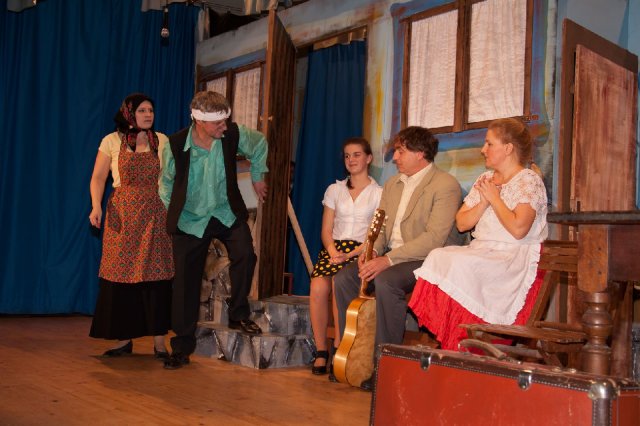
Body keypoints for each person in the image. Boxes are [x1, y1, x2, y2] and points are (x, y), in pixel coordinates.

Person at [333, 126, 462, 390]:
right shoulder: (393, 184)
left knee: (386, 281)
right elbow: (380, 228)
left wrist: (388, 260)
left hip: (429, 259)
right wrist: (373, 251)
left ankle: (385, 366)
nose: (395, 157)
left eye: (401, 151)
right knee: (345, 278)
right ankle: (354, 355)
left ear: (420, 153)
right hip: (392, 255)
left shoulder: (445, 185)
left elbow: (434, 239)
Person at [409, 118, 548, 351]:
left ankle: (467, 341)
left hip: (511, 257)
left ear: (508, 148)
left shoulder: (528, 180)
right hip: (483, 250)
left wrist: (495, 198)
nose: (483, 149)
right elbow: (462, 223)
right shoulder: (485, 179)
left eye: (489, 144)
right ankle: (455, 339)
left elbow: (518, 229)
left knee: (460, 263)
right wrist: (484, 202)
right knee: (439, 256)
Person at [159, 91, 268, 370]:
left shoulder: (232, 135)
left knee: (246, 254)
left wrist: (258, 176)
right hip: (190, 219)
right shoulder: (175, 145)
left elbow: (259, 144)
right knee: (185, 283)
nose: (224, 126)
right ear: (199, 121)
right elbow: (166, 184)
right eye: (218, 123)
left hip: (224, 211)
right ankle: (182, 346)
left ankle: (238, 313)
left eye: (225, 120)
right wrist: (174, 212)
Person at [89, 93, 174, 359]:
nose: (148, 115)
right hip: (122, 216)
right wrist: (96, 206)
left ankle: (160, 343)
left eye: (151, 110)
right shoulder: (112, 141)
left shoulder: (162, 141)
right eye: (142, 110)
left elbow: (170, 178)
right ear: (129, 113)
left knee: (157, 277)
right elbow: (98, 178)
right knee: (121, 277)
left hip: (154, 215)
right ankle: (124, 339)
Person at [309, 138, 382, 375]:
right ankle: (321, 350)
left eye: (357, 155)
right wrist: (333, 252)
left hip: (361, 251)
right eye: (347, 156)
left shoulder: (379, 193)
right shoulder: (335, 189)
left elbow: (375, 235)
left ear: (369, 158)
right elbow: (326, 229)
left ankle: (341, 348)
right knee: (317, 287)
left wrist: (351, 253)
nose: (351, 160)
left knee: (338, 283)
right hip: (334, 249)